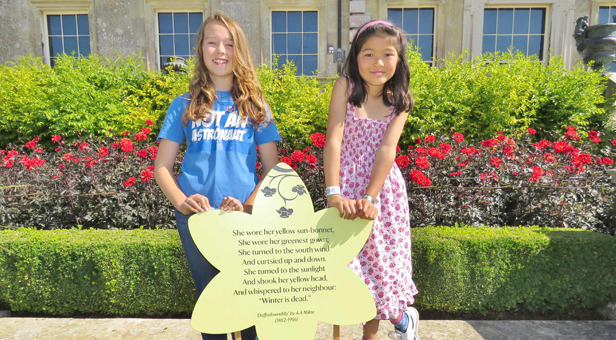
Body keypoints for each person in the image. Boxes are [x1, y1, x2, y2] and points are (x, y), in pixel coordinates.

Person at [154, 13, 280, 340]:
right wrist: (182, 203)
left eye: (229, 43)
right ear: (201, 49)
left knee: (250, 303)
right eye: (212, 42)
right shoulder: (182, 105)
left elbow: (272, 171)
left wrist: (247, 206)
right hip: (197, 220)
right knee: (211, 304)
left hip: (243, 218)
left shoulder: (256, 107)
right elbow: (162, 167)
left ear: (239, 51)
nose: (220, 50)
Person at [323, 20, 419, 340]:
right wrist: (334, 192)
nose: (378, 62)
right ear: (355, 56)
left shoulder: (400, 100)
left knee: (379, 270)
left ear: (399, 59)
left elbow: (387, 151)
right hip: (346, 186)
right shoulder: (346, 87)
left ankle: (379, 332)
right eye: (368, 54)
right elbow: (334, 139)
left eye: (387, 54)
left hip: (381, 193)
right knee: (345, 269)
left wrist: (370, 197)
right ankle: (403, 320)